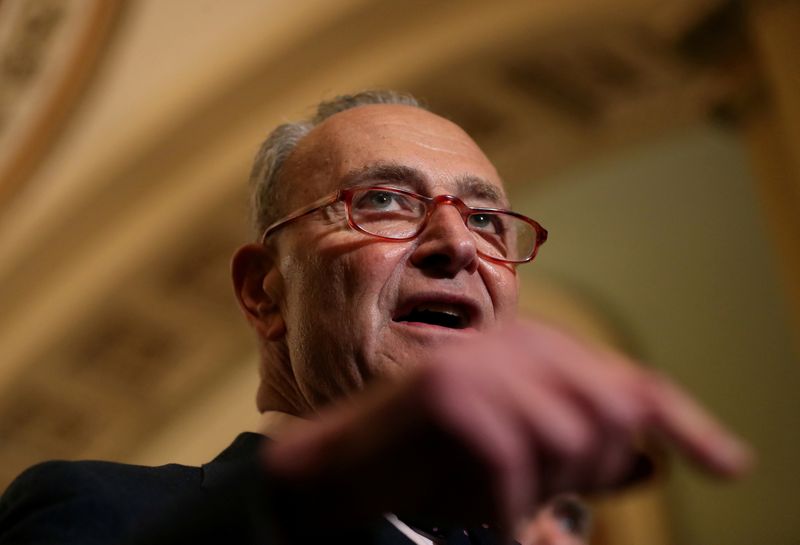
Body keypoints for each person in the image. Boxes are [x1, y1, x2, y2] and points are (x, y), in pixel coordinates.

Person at [0, 90, 751, 544]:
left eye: (489, 219)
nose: (456, 241)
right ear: (264, 292)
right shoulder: (105, 514)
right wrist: (312, 491)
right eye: (385, 201)